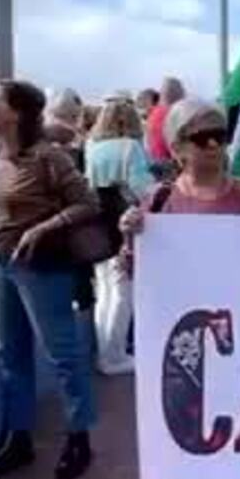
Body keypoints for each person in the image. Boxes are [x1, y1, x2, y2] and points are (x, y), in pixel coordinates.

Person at [121, 100, 240, 479]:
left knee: (233, 430)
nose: (214, 146)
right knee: (183, 428)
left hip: (239, 330)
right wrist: (132, 237)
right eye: (201, 138)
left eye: (219, 135)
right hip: (179, 338)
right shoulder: (159, 202)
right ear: (178, 147)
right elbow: (137, 271)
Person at [0, 81, 101, 479]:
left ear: (17, 112)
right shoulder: (1, 155)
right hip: (2, 262)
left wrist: (41, 229)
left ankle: (79, 437)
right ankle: (18, 437)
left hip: (41, 265)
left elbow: (88, 203)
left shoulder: (50, 157)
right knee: (10, 353)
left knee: (61, 353)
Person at [85, 97, 156, 376]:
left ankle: (103, 348)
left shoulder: (93, 148)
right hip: (122, 223)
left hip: (96, 222)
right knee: (123, 290)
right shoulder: (132, 147)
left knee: (104, 289)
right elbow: (142, 188)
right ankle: (114, 355)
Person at [145, 77, 186, 169]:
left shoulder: (153, 114)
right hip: (172, 166)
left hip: (156, 164)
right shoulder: (174, 113)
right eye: (182, 90)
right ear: (177, 92)